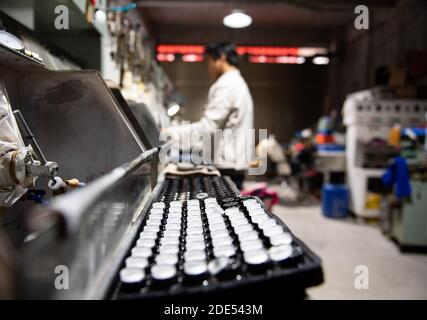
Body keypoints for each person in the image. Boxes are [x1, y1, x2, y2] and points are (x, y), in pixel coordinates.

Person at [164, 42, 254, 189]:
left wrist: (169, 133)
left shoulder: (228, 84)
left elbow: (208, 126)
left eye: (210, 61)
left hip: (227, 166)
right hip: (232, 162)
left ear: (222, 58)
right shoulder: (236, 82)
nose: (209, 67)